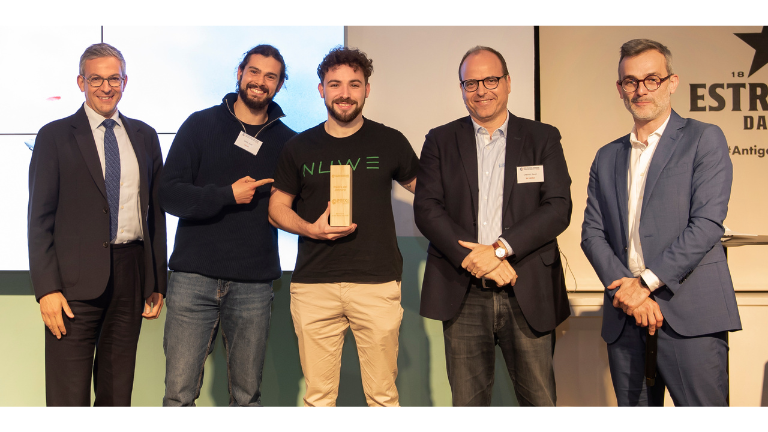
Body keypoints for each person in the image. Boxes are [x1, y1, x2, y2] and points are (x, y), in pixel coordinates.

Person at [581, 39, 741, 406]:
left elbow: (706, 225)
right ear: (620, 88)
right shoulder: (607, 156)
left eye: (652, 79)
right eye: (631, 81)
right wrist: (628, 293)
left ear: (672, 82)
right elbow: (592, 234)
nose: (641, 90)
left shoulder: (703, 138)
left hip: (690, 315)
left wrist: (645, 284)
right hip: (625, 315)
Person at [414, 46, 572, 406]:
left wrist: (499, 251)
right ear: (461, 88)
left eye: (490, 80)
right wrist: (477, 259)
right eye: (471, 83)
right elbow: (427, 208)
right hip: (463, 291)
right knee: (468, 405)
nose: (481, 90)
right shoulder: (440, 140)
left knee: (539, 403)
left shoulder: (542, 137)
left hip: (526, 285)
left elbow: (558, 207)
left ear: (508, 82)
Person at [268, 46, 418, 407]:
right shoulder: (298, 147)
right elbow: (276, 209)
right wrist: (311, 229)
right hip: (313, 287)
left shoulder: (390, 141)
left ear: (367, 89)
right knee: (318, 399)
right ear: (322, 90)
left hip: (377, 284)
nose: (345, 93)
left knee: (383, 397)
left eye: (354, 84)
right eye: (335, 84)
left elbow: (429, 194)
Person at [28, 43, 167, 406]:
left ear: (125, 81)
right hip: (72, 285)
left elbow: (156, 214)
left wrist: (156, 281)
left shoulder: (145, 136)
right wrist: (46, 289)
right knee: (67, 398)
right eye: (96, 79)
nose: (106, 87)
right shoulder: (54, 136)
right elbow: (38, 220)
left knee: (117, 395)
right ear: (81, 82)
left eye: (114, 79)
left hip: (130, 276)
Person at [158, 44, 296, 406]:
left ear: (280, 84)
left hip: (253, 283)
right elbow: (169, 195)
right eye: (254, 71)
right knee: (178, 396)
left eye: (271, 76)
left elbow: (297, 205)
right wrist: (226, 195)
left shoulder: (289, 142)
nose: (260, 81)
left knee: (247, 398)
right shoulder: (199, 124)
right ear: (239, 73)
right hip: (192, 278)